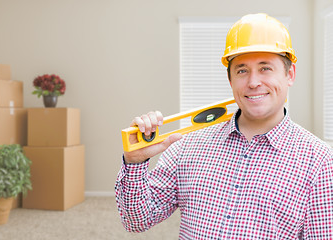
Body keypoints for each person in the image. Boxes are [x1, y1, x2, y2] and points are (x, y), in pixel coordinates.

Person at [115, 13, 333, 239]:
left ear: (290, 74)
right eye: (242, 70)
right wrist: (135, 163)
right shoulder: (187, 146)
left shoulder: (318, 161)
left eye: (265, 68)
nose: (253, 82)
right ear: (230, 80)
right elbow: (136, 221)